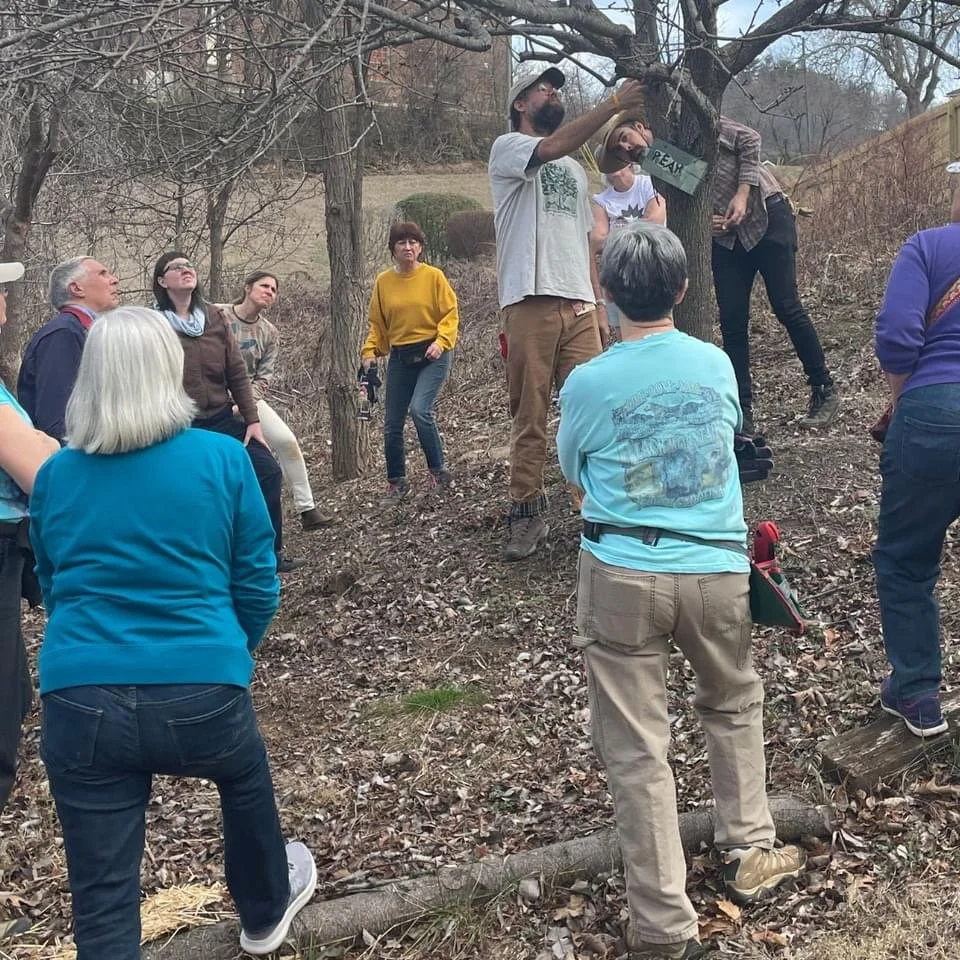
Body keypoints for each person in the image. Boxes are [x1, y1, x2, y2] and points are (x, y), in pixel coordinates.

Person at [29, 307, 316, 959]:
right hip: (202, 687)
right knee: (243, 776)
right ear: (169, 370)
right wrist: (224, 655)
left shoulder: (56, 475)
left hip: (79, 697)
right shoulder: (221, 459)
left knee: (101, 902)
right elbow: (257, 581)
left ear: (89, 380)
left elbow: (50, 584)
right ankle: (265, 909)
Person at [557, 223, 804, 959]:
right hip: (717, 568)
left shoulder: (589, 380)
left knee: (636, 749)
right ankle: (748, 847)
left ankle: (664, 928)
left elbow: (573, 469)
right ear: (684, 289)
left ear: (606, 291)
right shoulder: (717, 365)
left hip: (623, 574)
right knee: (732, 703)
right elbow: (720, 442)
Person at [488, 68, 646, 562]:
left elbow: (585, 242)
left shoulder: (577, 173)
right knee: (530, 415)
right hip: (528, 299)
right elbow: (552, 148)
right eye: (542, 88)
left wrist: (599, 304)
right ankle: (526, 513)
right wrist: (616, 104)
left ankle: (601, 508)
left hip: (579, 301)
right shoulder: (509, 147)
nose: (551, 93)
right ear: (519, 104)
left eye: (556, 88)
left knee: (595, 408)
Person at [595, 115, 838, 435]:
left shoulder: (691, 123)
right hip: (726, 239)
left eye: (626, 137)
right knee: (732, 322)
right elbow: (690, 201)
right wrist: (708, 221)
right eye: (621, 149)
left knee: (786, 305)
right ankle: (743, 413)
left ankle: (824, 389)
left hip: (766, 215)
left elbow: (749, 138)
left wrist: (741, 193)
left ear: (641, 126)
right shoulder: (656, 167)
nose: (628, 147)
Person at [872, 182, 960, 738]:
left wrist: (904, 395)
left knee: (905, 558)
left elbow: (899, 340)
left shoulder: (927, 248)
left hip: (934, 413)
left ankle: (918, 690)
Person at [151, 252, 298, 573]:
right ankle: (202, 561)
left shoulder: (213, 318)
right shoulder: (153, 325)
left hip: (222, 416)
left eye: (189, 265)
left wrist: (253, 421)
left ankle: (269, 556)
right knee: (198, 489)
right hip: (179, 424)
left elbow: (237, 372)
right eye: (175, 267)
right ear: (162, 282)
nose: (185, 270)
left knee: (268, 472)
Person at [219, 271, 333, 531]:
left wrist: (246, 404)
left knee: (286, 441)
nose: (269, 292)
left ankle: (307, 509)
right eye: (264, 286)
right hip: (212, 397)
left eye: (274, 289)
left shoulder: (269, 332)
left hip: (247, 397)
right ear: (248, 287)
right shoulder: (219, 315)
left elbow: (264, 376)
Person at [361, 221, 459, 504]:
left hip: (433, 353)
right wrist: (370, 351)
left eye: (413, 242)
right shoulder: (383, 282)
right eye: (401, 243)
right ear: (393, 249)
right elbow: (378, 324)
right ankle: (396, 482)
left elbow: (450, 314)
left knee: (419, 410)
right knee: (392, 423)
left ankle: (438, 471)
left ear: (420, 247)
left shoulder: (434, 277)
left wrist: (440, 343)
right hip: (401, 356)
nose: (408, 247)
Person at [17, 257, 120, 440]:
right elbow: (57, 422)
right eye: (103, 274)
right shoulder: (63, 334)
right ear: (76, 288)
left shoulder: (82, 330)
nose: (114, 280)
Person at [590, 140, 666, 341]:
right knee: (627, 337)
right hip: (619, 278)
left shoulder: (649, 184)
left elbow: (655, 221)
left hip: (653, 273)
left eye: (615, 157)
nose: (612, 164)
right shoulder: (601, 200)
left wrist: (616, 232)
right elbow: (597, 242)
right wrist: (638, 227)